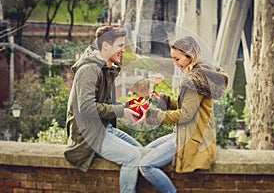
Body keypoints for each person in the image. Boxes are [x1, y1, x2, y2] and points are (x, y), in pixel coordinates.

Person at [136, 35, 229, 193]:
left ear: (190, 56)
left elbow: (186, 115)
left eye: (177, 59)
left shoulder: (194, 80)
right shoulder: (199, 75)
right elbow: (189, 106)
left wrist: (153, 115)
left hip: (189, 137)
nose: (174, 62)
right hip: (181, 133)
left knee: (145, 165)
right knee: (144, 152)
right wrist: (165, 101)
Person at [64, 25, 143, 193]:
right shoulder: (89, 69)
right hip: (89, 135)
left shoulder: (104, 67)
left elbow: (105, 103)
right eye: (120, 46)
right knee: (133, 156)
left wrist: (128, 108)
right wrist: (121, 111)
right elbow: (85, 107)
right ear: (106, 45)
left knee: (143, 153)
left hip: (104, 129)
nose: (123, 50)